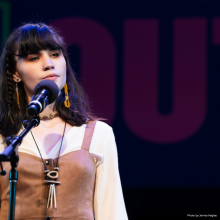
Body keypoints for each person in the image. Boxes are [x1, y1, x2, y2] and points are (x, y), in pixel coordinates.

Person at [0, 23, 128, 220]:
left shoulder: (98, 133)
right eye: (34, 58)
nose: (48, 64)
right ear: (15, 74)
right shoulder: (3, 138)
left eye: (55, 54)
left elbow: (112, 211)